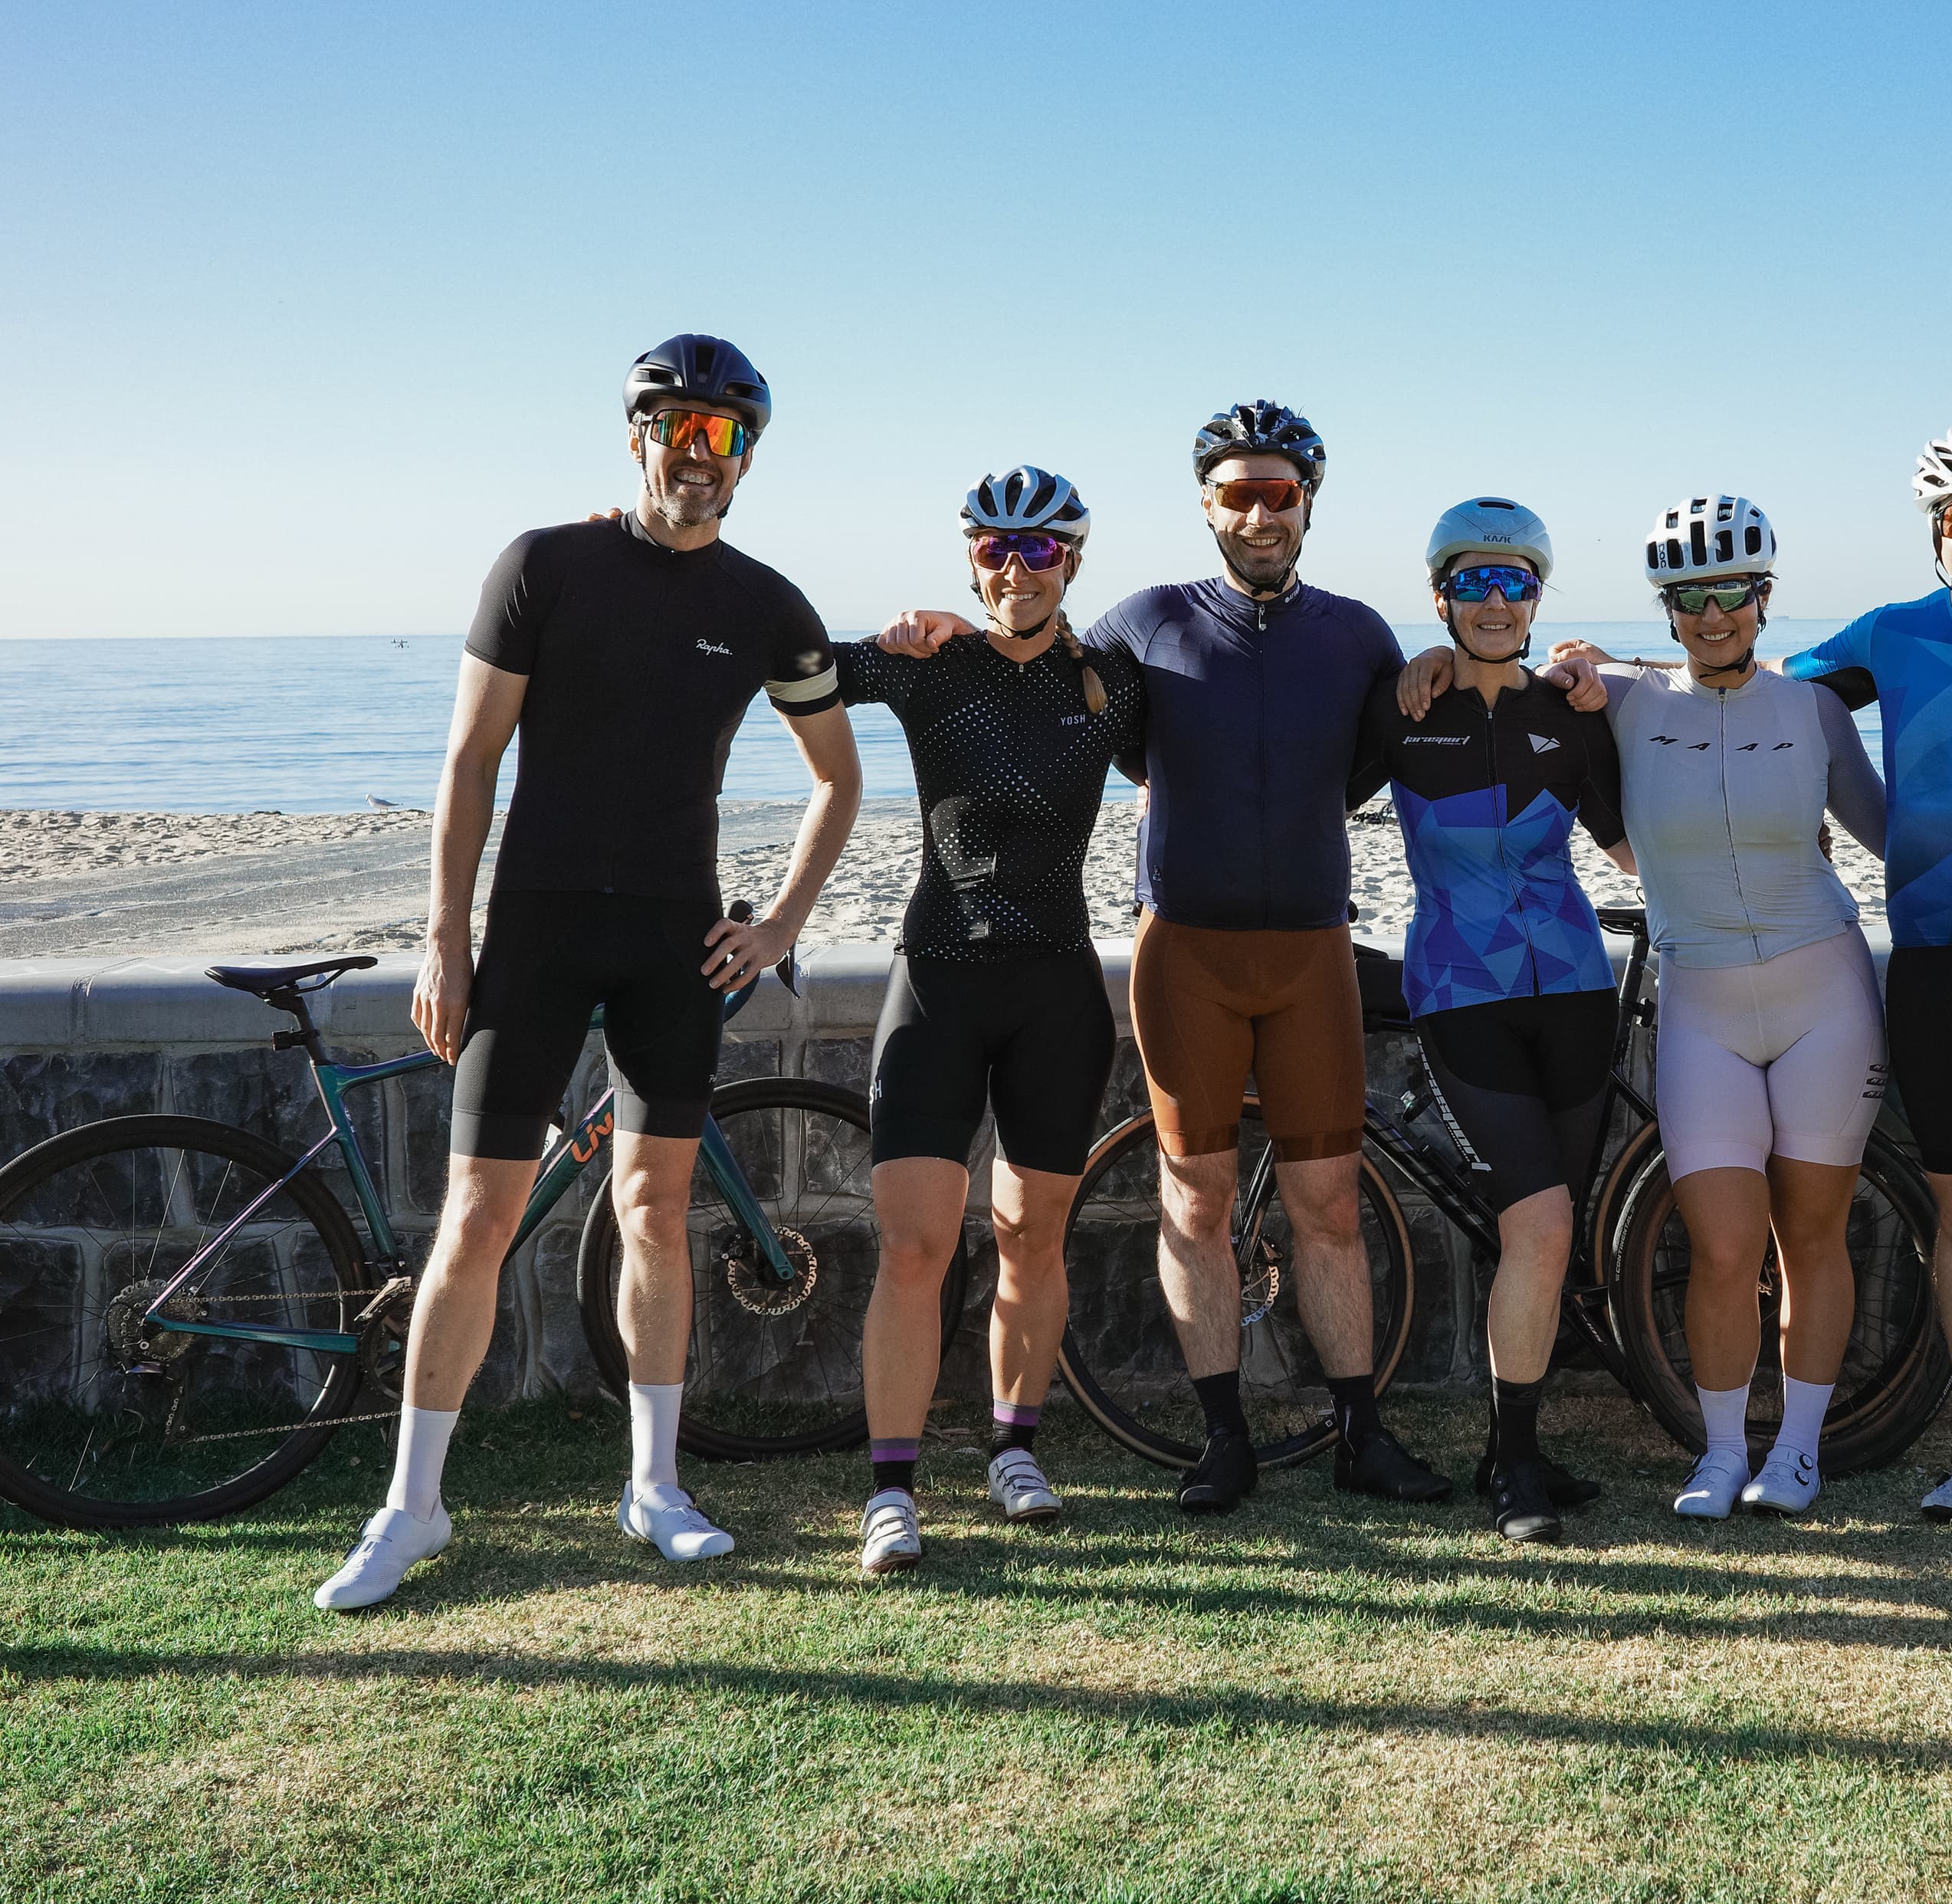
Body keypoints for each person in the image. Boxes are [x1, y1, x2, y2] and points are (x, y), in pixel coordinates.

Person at [1529, 428, 1952, 1554]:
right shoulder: (1886, 641)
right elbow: (1736, 689)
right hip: (1939, 972)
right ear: (1936, 532)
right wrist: (1595, 669)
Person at [316, 334, 861, 1610]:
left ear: (747, 458)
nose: (699, 452)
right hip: (541, 934)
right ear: (637, 435)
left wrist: (777, 924)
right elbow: (468, 764)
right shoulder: (542, 566)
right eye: (678, 426)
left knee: (656, 1217)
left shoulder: (767, 605)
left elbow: (840, 777)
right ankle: (412, 1508)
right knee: (476, 1223)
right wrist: (447, 937)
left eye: (725, 435)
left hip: (673, 944)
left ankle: (655, 1486)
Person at [882, 400, 1449, 1515]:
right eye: (1234, 492)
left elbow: (1378, 757)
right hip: (1184, 950)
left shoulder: (1359, 637)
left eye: (1276, 491)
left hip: (1312, 953)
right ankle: (1224, 1439)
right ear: (1204, 505)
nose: (1256, 511)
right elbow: (1032, 669)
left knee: (1328, 1202)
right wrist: (943, 633)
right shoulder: (1141, 624)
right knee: (1195, 1200)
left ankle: (1359, 1433)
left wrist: (1541, 664)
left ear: (1307, 501)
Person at [834, 467, 1145, 1574]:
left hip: (1056, 991)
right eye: (995, 549)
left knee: (1031, 1237)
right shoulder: (933, 667)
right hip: (941, 982)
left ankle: (1017, 1450)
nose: (1017, 569)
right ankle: (892, 1488)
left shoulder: (1112, 683)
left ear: (1073, 560)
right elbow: (796, 672)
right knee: (915, 1245)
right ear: (970, 556)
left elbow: (1231, 745)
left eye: (1042, 550)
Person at [1569, 497, 1893, 1519]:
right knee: (1719, 1245)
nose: (1714, 617)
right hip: (1701, 997)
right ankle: (1718, 1453)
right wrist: (1545, 665)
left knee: (1811, 1238)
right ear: (1667, 608)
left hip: (1824, 993)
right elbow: (1522, 689)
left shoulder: (1814, 712)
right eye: (1690, 598)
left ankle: (1794, 1453)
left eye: (1732, 595)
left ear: (1764, 598)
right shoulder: (1619, 699)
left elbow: (1898, 839)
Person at [1347, 497, 1632, 1542]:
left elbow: (1633, 847)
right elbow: (1298, 799)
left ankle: (1522, 1446)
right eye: (1475, 582)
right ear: (1442, 595)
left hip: (1574, 991)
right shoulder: (1405, 706)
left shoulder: (1575, 711)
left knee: (1548, 1240)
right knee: (1541, 1222)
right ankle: (1512, 1471)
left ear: (1539, 597)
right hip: (1460, 993)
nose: (1498, 601)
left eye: (1518, 582)